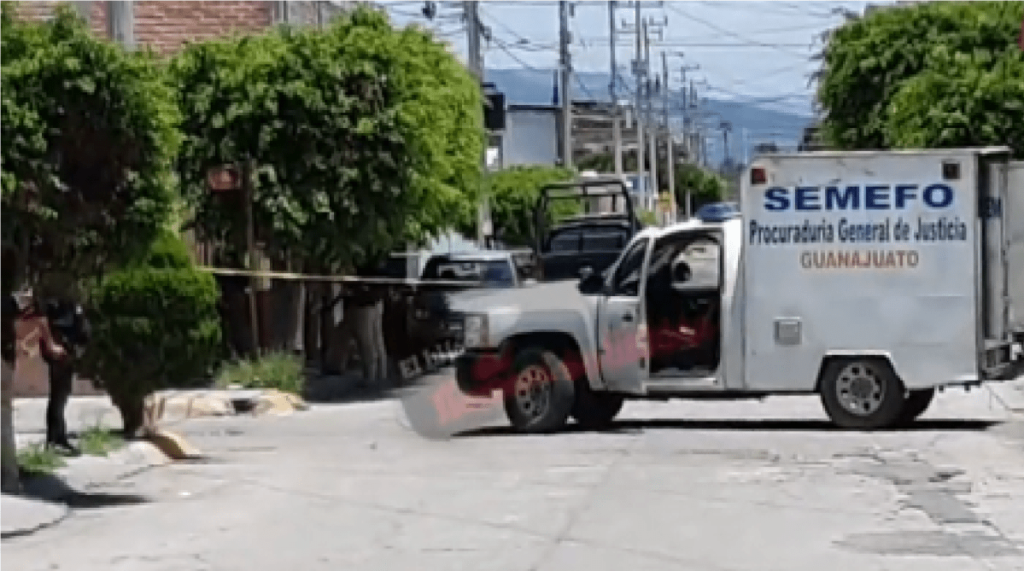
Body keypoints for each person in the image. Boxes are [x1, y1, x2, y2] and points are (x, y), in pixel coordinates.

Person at [43, 299, 90, 454]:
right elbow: (46, 324)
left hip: (66, 352)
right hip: (59, 353)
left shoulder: (70, 305)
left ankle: (58, 437)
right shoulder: (54, 304)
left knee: (61, 394)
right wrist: (54, 346)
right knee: (58, 395)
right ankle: (55, 439)